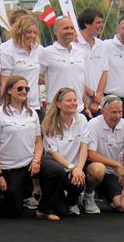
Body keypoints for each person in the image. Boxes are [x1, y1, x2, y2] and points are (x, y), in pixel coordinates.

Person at [0, 75, 43, 218]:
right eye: (20, 88)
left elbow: (38, 141)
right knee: (14, 211)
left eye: (26, 88)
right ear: (9, 91)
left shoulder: (32, 114)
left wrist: (36, 160)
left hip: (29, 165)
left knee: (54, 171)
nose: (24, 91)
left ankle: (36, 198)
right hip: (8, 167)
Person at [38, 88, 89, 219]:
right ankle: (43, 210)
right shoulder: (49, 123)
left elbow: (84, 147)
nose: (73, 103)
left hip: (73, 169)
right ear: (59, 104)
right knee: (58, 171)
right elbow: (53, 153)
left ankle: (71, 202)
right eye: (69, 100)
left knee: (79, 182)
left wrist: (79, 169)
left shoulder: (82, 119)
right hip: (54, 167)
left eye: (75, 100)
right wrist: (71, 167)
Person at [83, 96, 124, 213]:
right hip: (94, 169)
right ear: (103, 112)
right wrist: (116, 164)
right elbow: (90, 154)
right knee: (98, 169)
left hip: (112, 174)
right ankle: (89, 195)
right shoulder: (93, 124)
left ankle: (103, 194)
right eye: (114, 112)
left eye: (120, 112)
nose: (118, 116)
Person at [39, 17, 87, 115]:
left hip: (78, 109)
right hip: (55, 110)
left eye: (71, 28)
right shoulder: (46, 52)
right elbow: (35, 76)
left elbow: (82, 81)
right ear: (56, 32)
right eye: (66, 28)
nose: (70, 31)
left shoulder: (81, 53)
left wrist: (86, 106)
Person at [0, 15, 42, 118]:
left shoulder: (39, 49)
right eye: (28, 32)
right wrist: (5, 104)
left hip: (34, 105)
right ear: (20, 31)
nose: (32, 36)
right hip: (14, 105)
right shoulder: (8, 50)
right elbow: (4, 80)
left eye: (34, 32)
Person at [76, 8, 108, 115]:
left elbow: (104, 72)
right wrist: (93, 95)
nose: (101, 25)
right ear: (87, 24)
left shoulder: (101, 45)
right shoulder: (73, 45)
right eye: (98, 22)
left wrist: (97, 98)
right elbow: (75, 76)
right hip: (79, 104)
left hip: (97, 104)